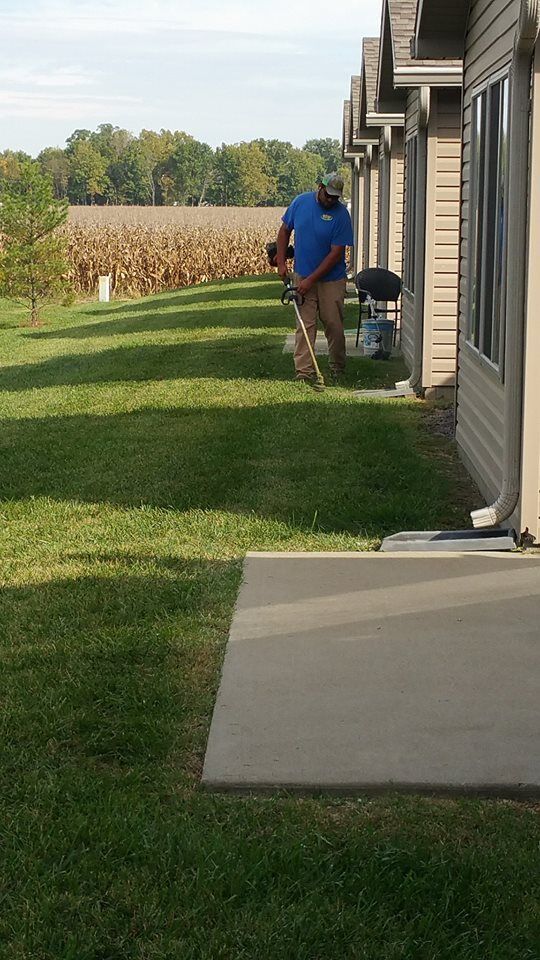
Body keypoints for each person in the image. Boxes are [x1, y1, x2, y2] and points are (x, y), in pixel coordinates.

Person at [276, 173, 354, 384]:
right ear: (320, 187)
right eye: (328, 195)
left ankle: (337, 366)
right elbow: (284, 231)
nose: (331, 200)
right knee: (305, 325)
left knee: (333, 324)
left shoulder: (341, 216)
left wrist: (310, 281)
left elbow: (335, 254)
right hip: (302, 274)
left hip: (332, 280)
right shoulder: (300, 203)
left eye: (335, 198)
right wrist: (282, 262)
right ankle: (304, 372)